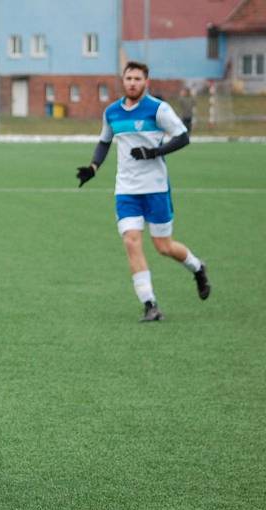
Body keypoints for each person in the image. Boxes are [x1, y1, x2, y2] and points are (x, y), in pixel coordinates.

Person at [76, 62, 211, 322]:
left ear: (146, 81)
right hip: (126, 190)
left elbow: (183, 137)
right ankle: (150, 303)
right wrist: (93, 167)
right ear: (123, 81)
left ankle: (197, 267)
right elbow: (104, 142)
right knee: (131, 241)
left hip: (156, 188)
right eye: (128, 78)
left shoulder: (158, 110)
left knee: (164, 246)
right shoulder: (112, 112)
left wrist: (154, 152)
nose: (132, 83)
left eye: (138, 78)